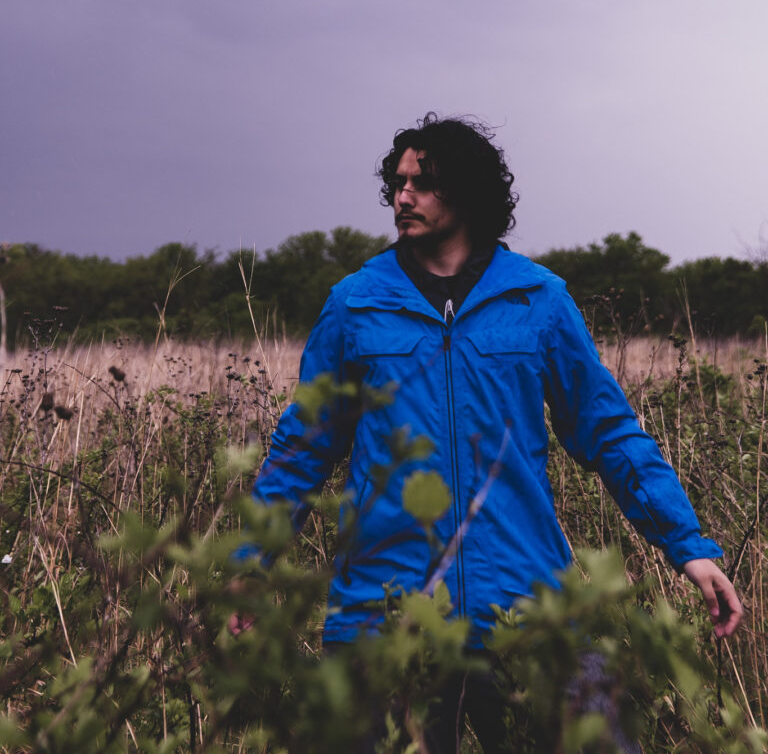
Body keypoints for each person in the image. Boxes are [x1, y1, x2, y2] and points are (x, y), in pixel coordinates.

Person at [231, 113, 742, 751]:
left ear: (468, 193)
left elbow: (610, 431)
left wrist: (688, 545)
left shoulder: (537, 299)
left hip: (525, 601)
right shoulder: (356, 304)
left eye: (423, 183)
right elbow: (302, 449)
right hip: (386, 611)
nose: (403, 196)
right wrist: (250, 563)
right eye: (397, 183)